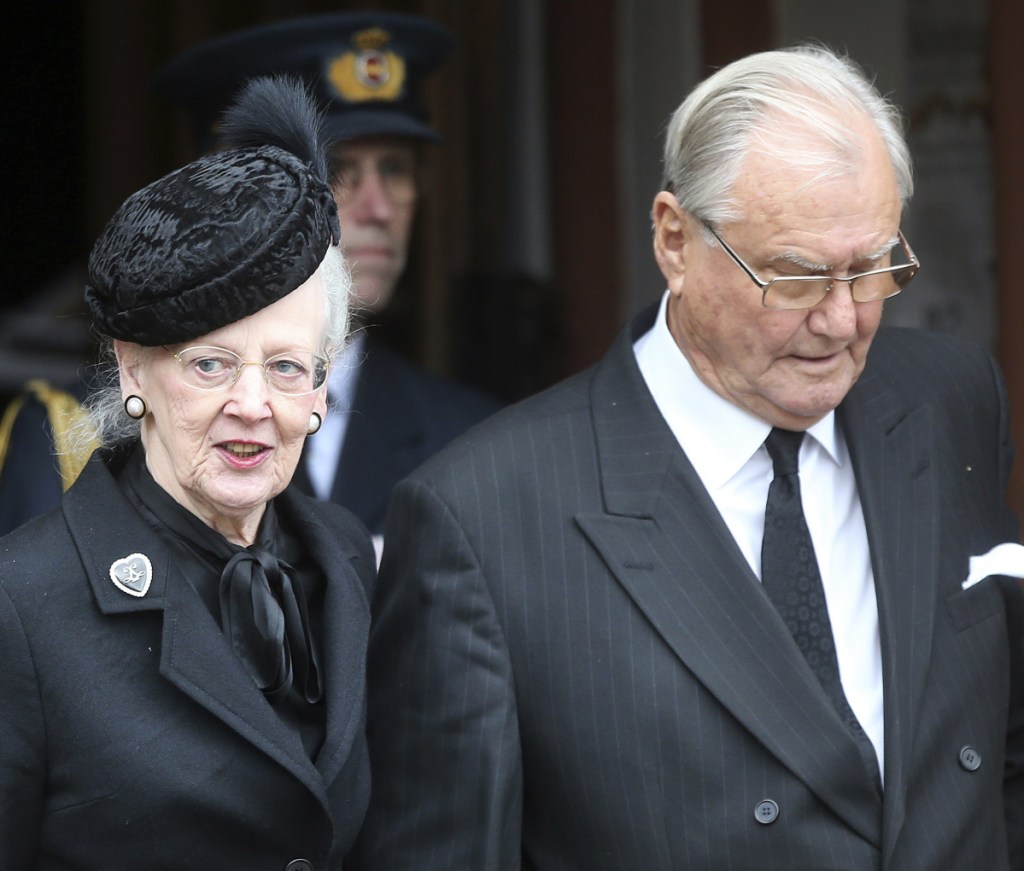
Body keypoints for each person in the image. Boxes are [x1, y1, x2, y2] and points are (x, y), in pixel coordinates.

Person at [347, 45, 1024, 869]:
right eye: (799, 276)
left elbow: (996, 746)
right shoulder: (485, 517)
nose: (845, 322)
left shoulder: (948, 402)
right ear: (674, 239)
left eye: (873, 267)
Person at [0, 77, 375, 869]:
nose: (252, 404)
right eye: (209, 365)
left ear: (323, 378)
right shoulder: (21, 604)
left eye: (284, 366)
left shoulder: (347, 560)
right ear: (134, 373)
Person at [154, 11, 501, 544]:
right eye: (338, 168)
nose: (379, 207)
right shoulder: (91, 437)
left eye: (395, 169)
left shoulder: (472, 440)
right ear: (231, 188)